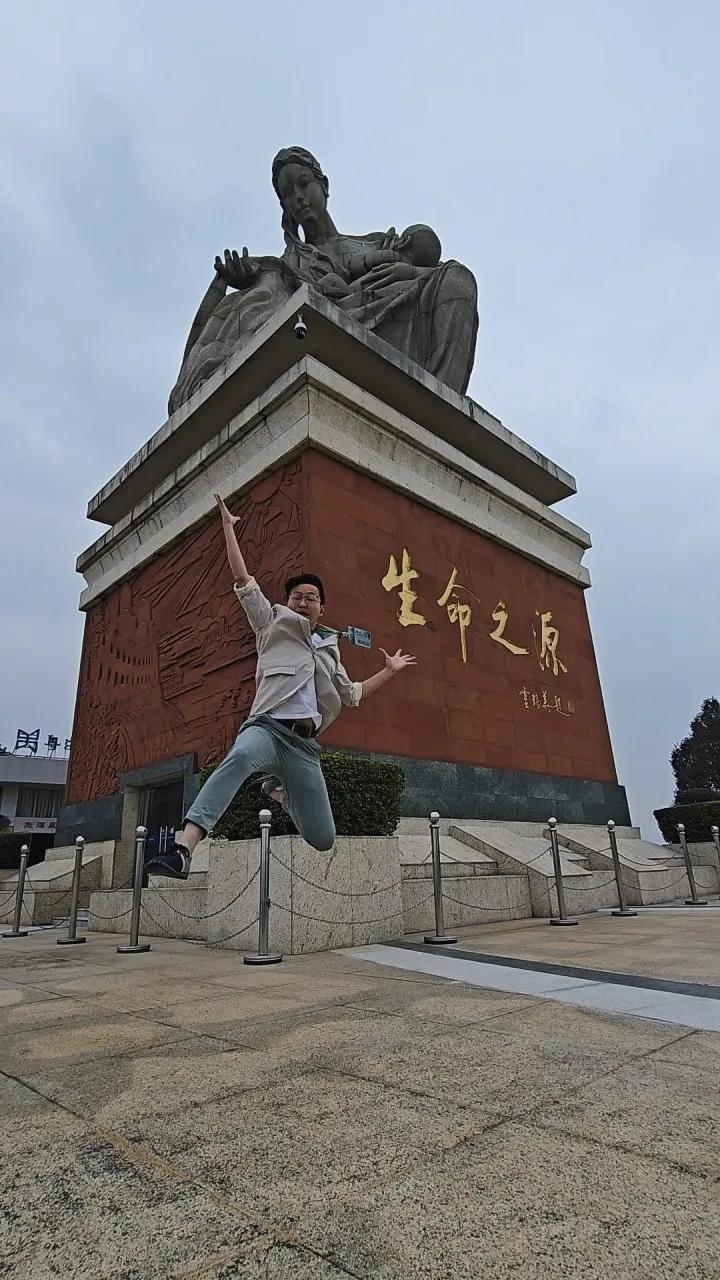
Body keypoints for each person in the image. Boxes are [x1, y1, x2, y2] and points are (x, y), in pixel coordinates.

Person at [145, 493, 417, 880]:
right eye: (296, 597)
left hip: (305, 747)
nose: (302, 602)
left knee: (322, 838)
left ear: (322, 608)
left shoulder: (329, 650)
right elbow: (243, 581)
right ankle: (183, 847)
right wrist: (227, 530)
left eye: (311, 598)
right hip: (267, 730)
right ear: (287, 603)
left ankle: (277, 791)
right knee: (239, 757)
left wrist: (389, 670)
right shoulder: (271, 623)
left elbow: (352, 695)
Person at [168, 147, 478, 414]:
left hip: (386, 315)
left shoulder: (375, 244)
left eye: (304, 184)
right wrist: (227, 280)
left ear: (324, 185)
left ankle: (441, 408)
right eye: (287, 194)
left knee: (458, 278)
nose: (298, 198)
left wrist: (411, 272)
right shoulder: (289, 264)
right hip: (326, 327)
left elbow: (428, 262)